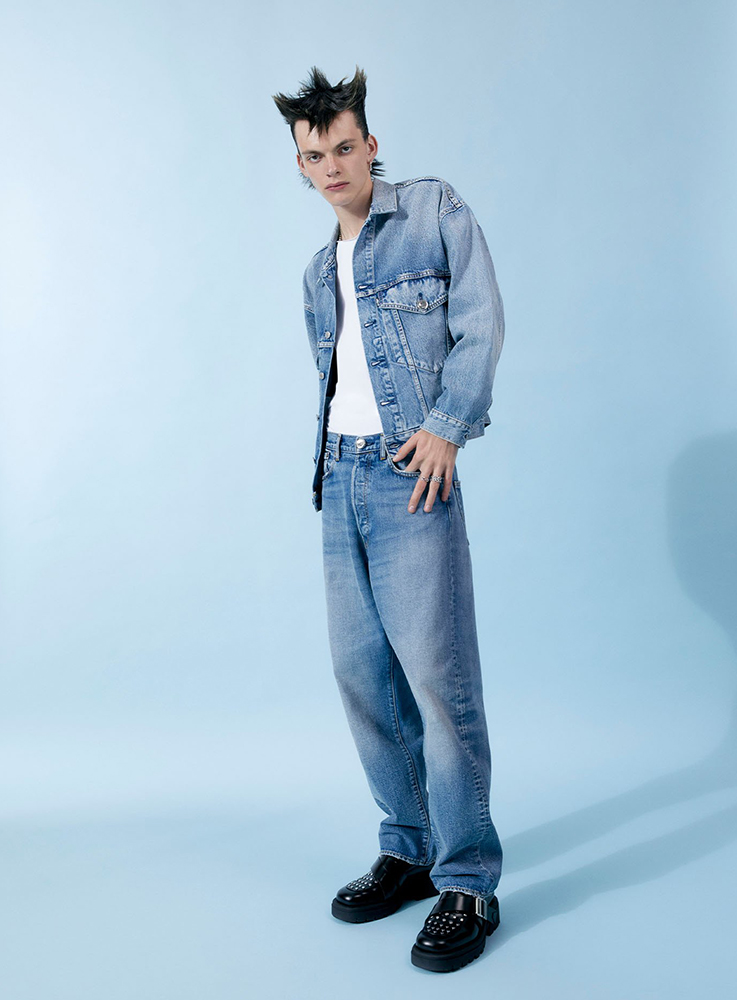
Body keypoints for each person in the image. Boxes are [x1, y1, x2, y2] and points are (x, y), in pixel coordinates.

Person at [272, 65, 506, 974]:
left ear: (370, 146)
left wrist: (447, 426)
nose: (332, 166)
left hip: (411, 476)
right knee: (363, 676)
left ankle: (468, 881)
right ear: (301, 167)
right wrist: (337, 470)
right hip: (340, 477)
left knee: (440, 684)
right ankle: (408, 849)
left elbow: (481, 320)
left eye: (344, 147)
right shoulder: (315, 273)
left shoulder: (433, 211)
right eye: (314, 155)